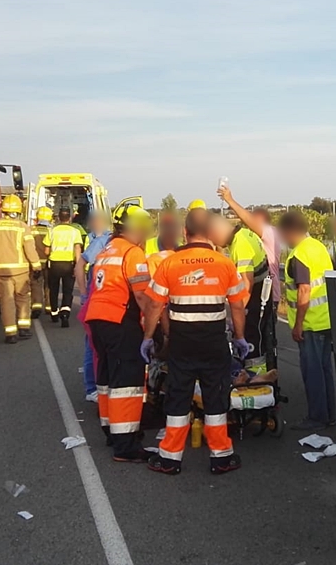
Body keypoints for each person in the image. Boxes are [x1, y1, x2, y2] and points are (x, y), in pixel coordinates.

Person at [141, 211, 248, 476]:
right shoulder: (224, 263)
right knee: (215, 397)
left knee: (178, 397)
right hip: (213, 343)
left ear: (185, 233)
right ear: (210, 234)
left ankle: (170, 458)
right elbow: (237, 305)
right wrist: (240, 337)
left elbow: (155, 304)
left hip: (182, 343)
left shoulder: (171, 263)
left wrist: (147, 337)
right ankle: (221, 456)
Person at [84, 204, 155, 462]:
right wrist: (151, 331)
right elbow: (142, 296)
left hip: (98, 319)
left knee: (107, 377)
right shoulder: (132, 253)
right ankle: (125, 445)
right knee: (127, 382)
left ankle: (111, 431)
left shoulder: (107, 249)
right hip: (120, 320)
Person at [277, 210, 336, 432]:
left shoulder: (299, 254)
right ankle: (330, 415)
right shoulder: (318, 246)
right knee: (324, 371)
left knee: (312, 372)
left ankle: (317, 417)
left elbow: (304, 290)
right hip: (326, 319)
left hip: (310, 323)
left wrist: (298, 324)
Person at [218, 185, 282, 369]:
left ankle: (265, 381)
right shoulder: (250, 239)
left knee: (261, 341)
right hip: (265, 294)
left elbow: (246, 283)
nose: (250, 224)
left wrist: (230, 200)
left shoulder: (269, 235)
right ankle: (268, 378)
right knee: (265, 343)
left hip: (265, 296)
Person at [210, 214, 271, 380]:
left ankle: (255, 379)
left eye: (213, 238)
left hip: (256, 298)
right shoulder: (244, 234)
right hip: (262, 295)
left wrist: (238, 312)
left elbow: (246, 282)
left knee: (251, 339)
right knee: (262, 340)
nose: (216, 244)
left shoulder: (240, 244)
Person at [0, 195, 41, 344]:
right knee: (22, 298)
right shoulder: (22, 227)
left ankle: (10, 334)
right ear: (18, 211)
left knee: (6, 301)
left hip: (0, 271)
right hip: (20, 270)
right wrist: (36, 266)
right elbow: (30, 249)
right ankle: (24, 329)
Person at [75, 210, 112, 403]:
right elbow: (80, 264)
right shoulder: (104, 240)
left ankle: (95, 386)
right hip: (96, 302)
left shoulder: (103, 239)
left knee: (95, 346)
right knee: (93, 347)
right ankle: (92, 388)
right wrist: (83, 293)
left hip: (99, 301)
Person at [45, 207, 83, 327]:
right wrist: (77, 265)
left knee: (54, 289)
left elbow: (46, 251)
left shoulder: (52, 231)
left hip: (54, 264)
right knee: (68, 291)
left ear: (58, 217)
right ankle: (65, 313)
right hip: (68, 265)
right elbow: (77, 249)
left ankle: (54, 312)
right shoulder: (75, 232)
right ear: (70, 217)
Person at [29, 206, 53, 319]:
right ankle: (49, 307)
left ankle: (36, 307)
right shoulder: (52, 231)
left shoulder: (31, 230)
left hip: (35, 264)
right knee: (49, 285)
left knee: (36, 285)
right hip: (50, 263)